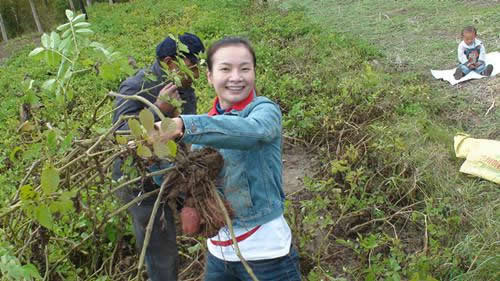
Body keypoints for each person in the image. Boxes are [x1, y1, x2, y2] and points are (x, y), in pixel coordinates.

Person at [156, 37, 302, 281]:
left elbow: (250, 132)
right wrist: (153, 157)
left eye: (245, 68)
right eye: (225, 69)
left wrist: (183, 125)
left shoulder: (264, 111)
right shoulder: (204, 127)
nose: (236, 77)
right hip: (219, 256)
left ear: (254, 73)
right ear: (210, 76)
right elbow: (189, 180)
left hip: (267, 255)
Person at [111, 33, 205, 281]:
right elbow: (121, 138)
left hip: (169, 167)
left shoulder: (185, 89)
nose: (195, 75)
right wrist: (156, 110)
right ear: (170, 63)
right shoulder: (136, 87)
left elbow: (185, 133)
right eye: (192, 67)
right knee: (160, 244)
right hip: (137, 178)